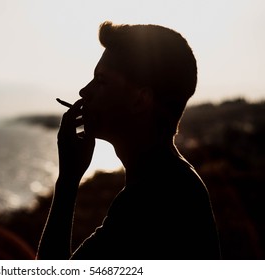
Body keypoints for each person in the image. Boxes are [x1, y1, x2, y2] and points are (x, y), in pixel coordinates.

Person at [36, 21, 221, 260]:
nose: (84, 92)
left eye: (101, 81)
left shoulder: (154, 200)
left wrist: (68, 181)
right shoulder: (175, 183)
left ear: (140, 100)